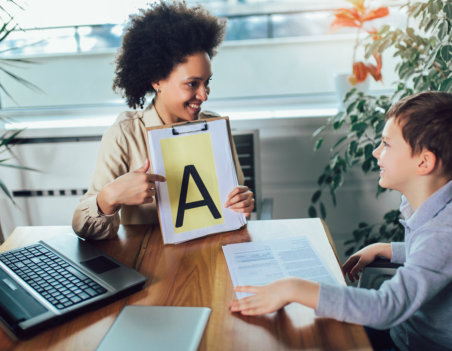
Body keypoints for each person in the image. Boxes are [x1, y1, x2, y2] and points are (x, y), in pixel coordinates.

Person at [229, 91, 452, 351]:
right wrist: (388, 249)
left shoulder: (442, 231)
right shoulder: (436, 212)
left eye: (387, 144)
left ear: (424, 162)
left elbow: (386, 307)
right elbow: (434, 259)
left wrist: (294, 288)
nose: (375, 151)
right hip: (404, 333)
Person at [72, 1, 254, 240]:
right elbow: (82, 227)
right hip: (151, 260)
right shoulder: (125, 135)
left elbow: (236, 201)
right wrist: (109, 197)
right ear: (157, 80)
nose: (204, 94)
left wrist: (242, 202)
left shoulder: (215, 126)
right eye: (192, 84)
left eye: (207, 82)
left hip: (213, 253)